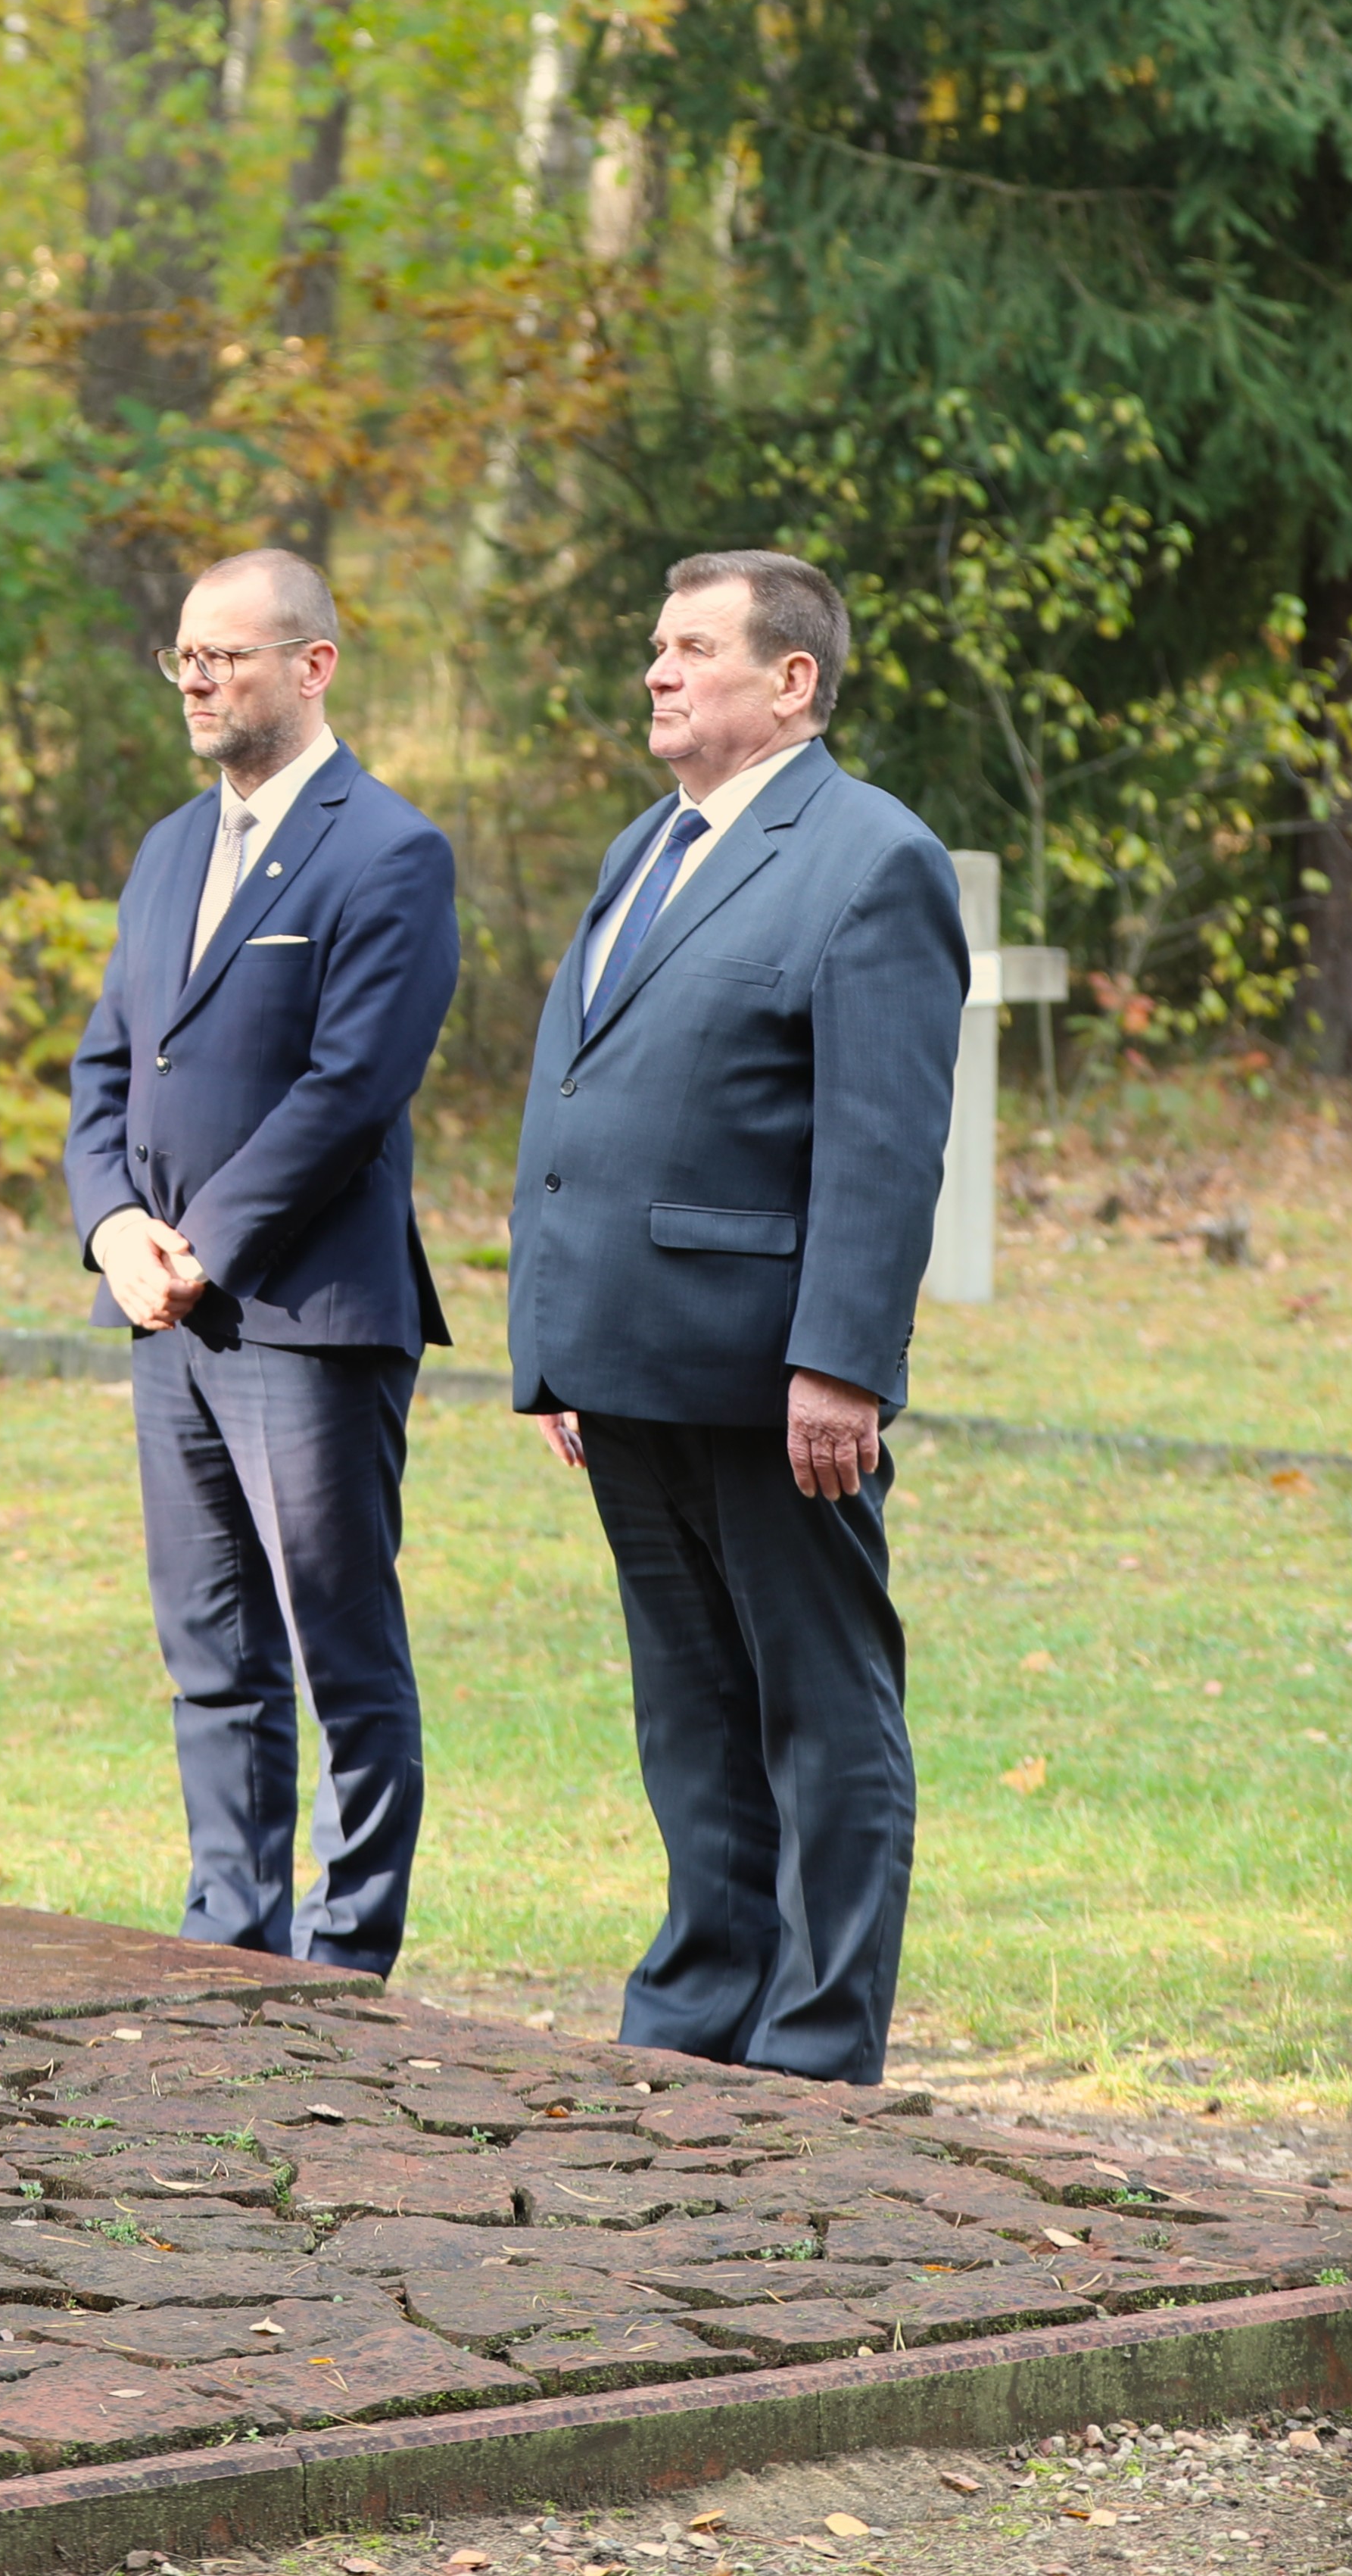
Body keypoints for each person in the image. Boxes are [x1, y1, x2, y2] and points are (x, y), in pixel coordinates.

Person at [506, 549, 967, 2079]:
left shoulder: (870, 857)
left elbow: (882, 1141)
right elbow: (588, 1083)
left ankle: (814, 2047)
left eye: (693, 646)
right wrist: (558, 1343)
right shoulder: (647, 844)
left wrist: (839, 1363)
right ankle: (696, 2018)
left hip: (773, 1381)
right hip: (624, 1364)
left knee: (821, 1718)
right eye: (656, 644)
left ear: (790, 678)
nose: (656, 670)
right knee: (690, 1717)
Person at [62, 549, 462, 1976]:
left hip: (307, 1318)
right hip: (164, 1318)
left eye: (225, 655)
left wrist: (202, 1247)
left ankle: (341, 1961)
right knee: (211, 1654)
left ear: (313, 663)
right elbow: (107, 1065)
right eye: (183, 655)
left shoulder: (390, 850)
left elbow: (351, 1089)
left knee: (337, 1652)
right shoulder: (169, 847)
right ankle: (226, 1947)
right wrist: (113, 1229)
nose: (196, 679)